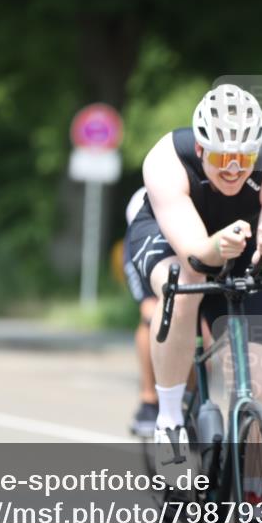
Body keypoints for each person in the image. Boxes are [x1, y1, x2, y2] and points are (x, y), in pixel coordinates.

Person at [126, 84, 262, 465]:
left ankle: (256, 494)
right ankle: (170, 419)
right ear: (200, 149)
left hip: (239, 245)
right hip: (171, 241)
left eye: (244, 156)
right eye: (223, 155)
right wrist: (214, 247)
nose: (232, 167)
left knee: (258, 387)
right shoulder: (167, 158)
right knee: (185, 284)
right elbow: (195, 255)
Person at [122, 187, 160, 437]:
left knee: (203, 324)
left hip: (193, 245)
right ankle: (149, 400)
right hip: (145, 246)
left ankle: (194, 394)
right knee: (152, 316)